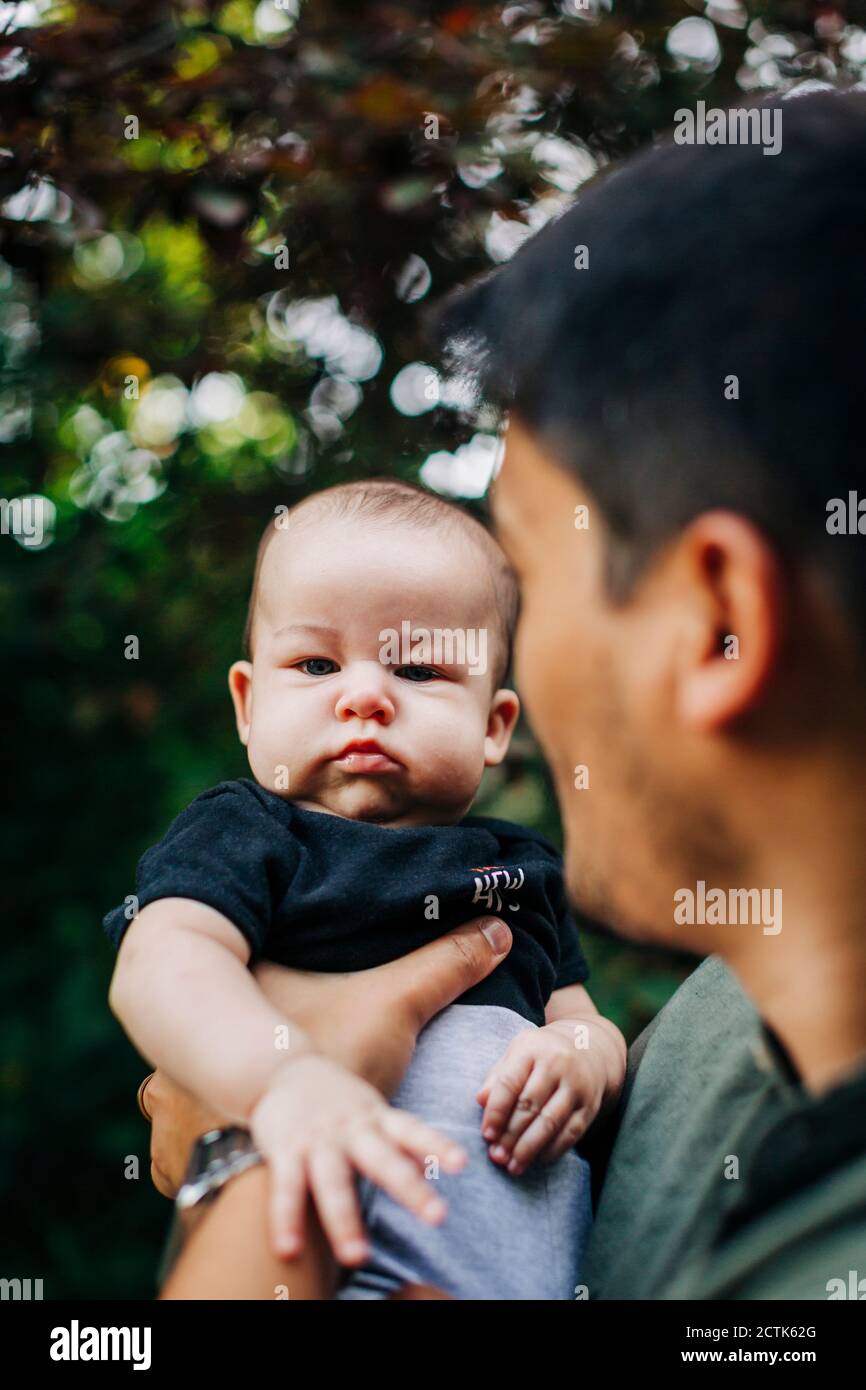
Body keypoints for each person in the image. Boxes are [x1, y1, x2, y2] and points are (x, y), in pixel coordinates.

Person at [147, 88, 866, 1300]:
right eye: (317, 663)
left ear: (717, 623)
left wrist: (234, 1151)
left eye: (528, 575)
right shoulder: (727, 1035)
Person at [104, 481, 626, 1300]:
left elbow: (582, 1018)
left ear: (493, 725)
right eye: (315, 664)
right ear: (249, 704)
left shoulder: (520, 868)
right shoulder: (253, 835)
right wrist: (281, 1083)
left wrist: (583, 1058)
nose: (364, 696)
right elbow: (162, 961)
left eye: (417, 667)